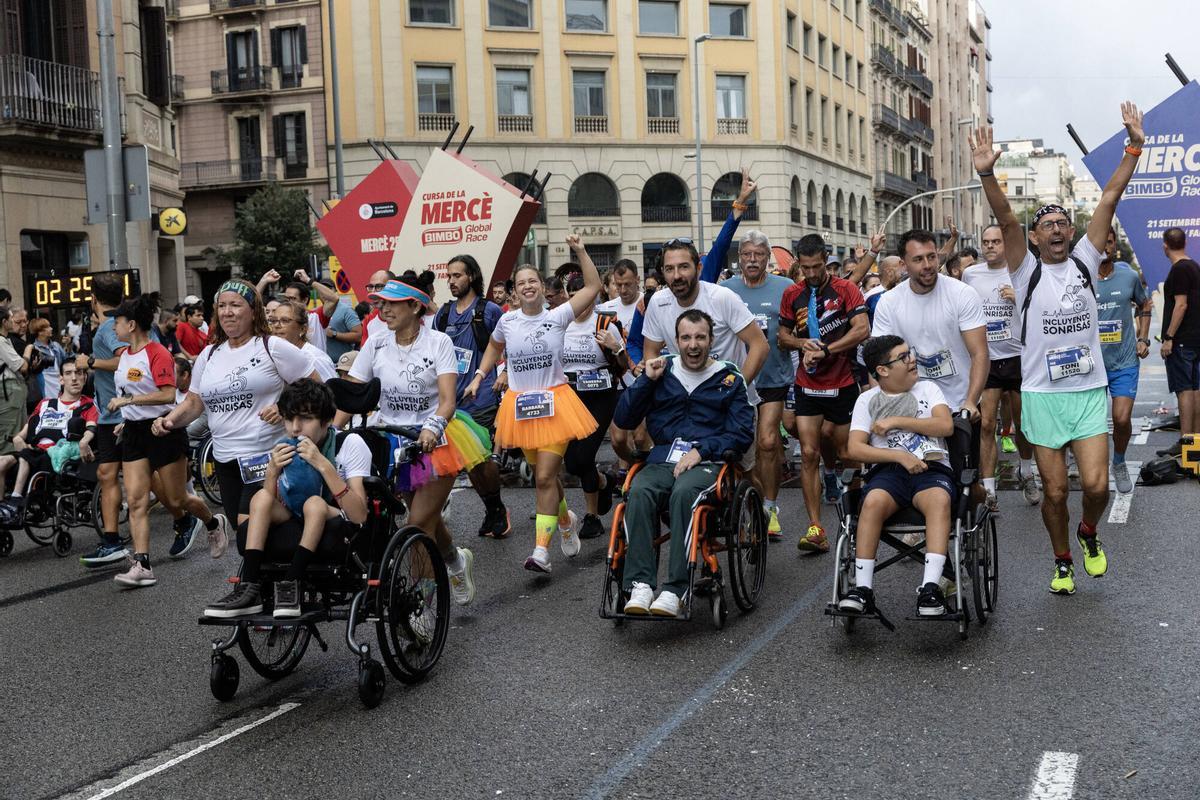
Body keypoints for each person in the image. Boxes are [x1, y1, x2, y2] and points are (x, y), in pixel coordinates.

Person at [971, 102, 1143, 595]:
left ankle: (1088, 533)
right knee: (1054, 490)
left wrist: (1134, 146)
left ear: (1073, 232)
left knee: (1094, 487)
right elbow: (1005, 217)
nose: (1057, 229)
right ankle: (1062, 559)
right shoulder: (1025, 271)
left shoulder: (1086, 260)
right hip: (1043, 396)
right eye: (1047, 224)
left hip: (1089, 391)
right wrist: (988, 175)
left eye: (1063, 222)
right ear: (1034, 237)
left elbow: (1110, 196)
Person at [346, 276, 490, 605]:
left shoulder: (438, 342)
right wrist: (332, 432)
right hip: (392, 444)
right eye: (380, 303)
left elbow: (448, 400)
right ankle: (456, 560)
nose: (383, 308)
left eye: (391, 303)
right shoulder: (377, 342)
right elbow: (353, 393)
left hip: (434, 442)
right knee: (426, 516)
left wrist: (433, 426)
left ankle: (420, 608)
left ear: (415, 306)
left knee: (416, 525)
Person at [464, 236, 603, 574]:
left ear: (542, 287)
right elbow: (494, 349)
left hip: (555, 404)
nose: (527, 287)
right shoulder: (507, 322)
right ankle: (566, 521)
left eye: (532, 282)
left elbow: (595, 286)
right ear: (515, 291)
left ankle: (541, 551)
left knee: (542, 477)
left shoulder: (558, 316)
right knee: (547, 479)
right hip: (521, 409)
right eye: (521, 283)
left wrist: (581, 251)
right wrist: (481, 375)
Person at [612, 310, 755, 617]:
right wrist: (644, 383)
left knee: (684, 494)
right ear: (676, 341)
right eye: (686, 338)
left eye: (700, 337)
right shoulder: (662, 372)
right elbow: (624, 419)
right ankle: (640, 585)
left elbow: (742, 434)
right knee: (638, 491)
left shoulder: (729, 378)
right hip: (664, 458)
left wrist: (703, 451)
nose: (693, 345)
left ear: (711, 340)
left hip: (709, 463)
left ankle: (676, 587)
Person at [153, 280, 322, 531]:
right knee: (240, 530)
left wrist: (284, 407)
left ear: (253, 311)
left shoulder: (271, 347)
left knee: (253, 528)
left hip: (266, 456)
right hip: (225, 460)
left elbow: (317, 387)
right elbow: (194, 403)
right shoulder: (209, 355)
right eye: (222, 305)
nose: (227, 312)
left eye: (235, 305)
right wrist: (168, 420)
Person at [205, 379, 371, 618]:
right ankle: (249, 587)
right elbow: (270, 504)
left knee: (313, 504)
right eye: (289, 418)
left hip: (335, 516)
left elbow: (360, 515)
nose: (295, 428)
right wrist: (272, 471)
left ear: (326, 420)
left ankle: (293, 580)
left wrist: (324, 466)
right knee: (261, 497)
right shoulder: (284, 444)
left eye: (305, 418)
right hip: (293, 514)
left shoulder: (350, 444)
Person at [107, 295, 229, 588]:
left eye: (118, 322)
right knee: (135, 499)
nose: (114, 327)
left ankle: (213, 522)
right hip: (135, 432)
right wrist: (128, 416)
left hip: (164, 429)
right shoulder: (123, 355)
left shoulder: (158, 352)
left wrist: (128, 400)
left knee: (177, 499)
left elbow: (166, 394)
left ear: (132, 324)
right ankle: (142, 564)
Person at [840, 335, 956, 617]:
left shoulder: (928, 389)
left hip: (931, 468)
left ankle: (931, 587)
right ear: (883, 370)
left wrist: (896, 421)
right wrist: (899, 455)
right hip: (889, 471)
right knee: (872, 502)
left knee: (939, 500)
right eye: (903, 357)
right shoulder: (867, 399)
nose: (912, 359)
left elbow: (946, 425)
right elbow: (854, 447)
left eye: (910, 353)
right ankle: (863, 589)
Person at [778, 234, 870, 552]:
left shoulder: (846, 289)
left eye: (817, 266)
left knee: (848, 454)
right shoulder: (793, 293)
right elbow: (782, 336)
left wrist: (827, 351)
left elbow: (862, 329)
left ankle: (856, 515)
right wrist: (802, 343)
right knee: (807, 453)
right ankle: (816, 528)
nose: (812, 273)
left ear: (826, 258)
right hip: (808, 385)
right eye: (805, 268)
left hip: (843, 382)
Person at [722, 230, 798, 542]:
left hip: (773, 378)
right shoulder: (725, 290)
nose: (752, 260)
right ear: (739, 259)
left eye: (758, 255)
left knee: (768, 442)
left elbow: (799, 327)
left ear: (768, 258)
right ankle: (748, 502)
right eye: (747, 255)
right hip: (736, 382)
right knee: (745, 449)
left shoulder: (786, 288)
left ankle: (769, 507)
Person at [961, 224, 1041, 508]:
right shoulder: (971, 274)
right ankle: (990, 489)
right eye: (985, 242)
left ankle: (1026, 471)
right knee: (986, 425)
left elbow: (1043, 307)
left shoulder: (1022, 272)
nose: (990, 246)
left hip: (1019, 356)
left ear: (1006, 244)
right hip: (987, 358)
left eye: (996, 241)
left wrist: (1018, 298)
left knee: (1022, 424)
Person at [871, 229, 988, 419]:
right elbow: (877, 359)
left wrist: (971, 401)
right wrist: (884, 406)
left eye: (931, 257)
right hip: (910, 408)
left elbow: (980, 353)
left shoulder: (962, 294)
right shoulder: (889, 302)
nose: (927, 265)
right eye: (918, 259)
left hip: (960, 405)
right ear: (903, 264)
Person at [434, 254, 510, 539]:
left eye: (457, 275)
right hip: (450, 401)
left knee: (479, 459)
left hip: (481, 397)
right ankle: (493, 508)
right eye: (449, 276)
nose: (451, 281)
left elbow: (509, 343)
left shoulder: (489, 311)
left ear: (472, 277)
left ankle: (497, 508)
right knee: (468, 461)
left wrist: (505, 374)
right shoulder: (443, 315)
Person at [640, 239, 768, 398]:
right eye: (669, 269)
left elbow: (760, 345)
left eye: (684, 267)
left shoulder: (722, 298)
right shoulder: (658, 303)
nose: (677, 275)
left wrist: (735, 388)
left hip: (731, 405)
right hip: (686, 402)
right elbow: (651, 350)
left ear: (699, 268)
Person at [77, 274, 145, 567]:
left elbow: (127, 360)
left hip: (122, 413)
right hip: (111, 414)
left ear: (93, 298)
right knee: (107, 474)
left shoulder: (107, 328)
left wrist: (90, 363)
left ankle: (188, 518)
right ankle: (112, 541)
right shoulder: (115, 325)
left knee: (150, 480)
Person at [561, 272, 630, 539]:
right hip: (570, 397)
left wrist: (616, 348)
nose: (582, 305)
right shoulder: (561, 323)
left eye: (587, 300)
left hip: (601, 396)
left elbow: (624, 366)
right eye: (575, 299)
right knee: (573, 463)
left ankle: (592, 516)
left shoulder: (604, 323)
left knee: (584, 456)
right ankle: (604, 481)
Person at [0, 359, 96, 524]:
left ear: (84, 378)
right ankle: (2, 509)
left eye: (78, 373)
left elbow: (91, 429)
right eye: (68, 373)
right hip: (34, 451)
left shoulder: (87, 406)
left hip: (56, 457)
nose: (74, 378)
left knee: (25, 457)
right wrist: (18, 438)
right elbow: (25, 431)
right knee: (1, 462)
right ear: (61, 379)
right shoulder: (45, 404)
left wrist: (84, 442)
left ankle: (15, 503)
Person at [1095, 229, 1151, 492]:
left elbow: (1145, 305)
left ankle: (1118, 462)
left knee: (1120, 418)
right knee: (1090, 425)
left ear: (1114, 244)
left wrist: (1143, 338)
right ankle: (1089, 463)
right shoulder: (1080, 279)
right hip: (1090, 366)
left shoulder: (1128, 276)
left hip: (1124, 362)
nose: (1105, 247)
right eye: (1100, 243)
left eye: (1109, 242)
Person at [1158, 227, 1200, 458]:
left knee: (1184, 391)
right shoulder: (1194, 266)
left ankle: (1186, 442)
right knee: (1195, 390)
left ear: (1165, 245)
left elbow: (1181, 305)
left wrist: (1169, 337)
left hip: (1182, 341)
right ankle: (1194, 443)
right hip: (1195, 339)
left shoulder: (1179, 270)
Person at [271, 299, 337, 381]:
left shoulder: (315, 359)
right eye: (273, 321)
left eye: (285, 321)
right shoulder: (271, 354)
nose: (277, 325)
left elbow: (331, 391)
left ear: (302, 329)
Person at [0, 308, 29, 456]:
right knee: (10, 433)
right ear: (4, 322)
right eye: (11, 319)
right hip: (7, 392)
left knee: (16, 430)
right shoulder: (0, 341)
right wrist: (28, 352)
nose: (14, 321)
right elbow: (22, 366)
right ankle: (8, 469)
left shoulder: (5, 340)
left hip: (11, 391)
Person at [24, 318, 66, 407]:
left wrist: (68, 346)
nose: (51, 328)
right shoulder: (33, 349)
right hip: (44, 386)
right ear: (40, 332)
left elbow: (67, 360)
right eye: (48, 327)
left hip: (59, 384)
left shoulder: (56, 346)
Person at [358, 269, 397, 346]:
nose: (373, 292)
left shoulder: (405, 316)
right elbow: (365, 354)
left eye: (379, 287)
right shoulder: (368, 320)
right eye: (370, 287)